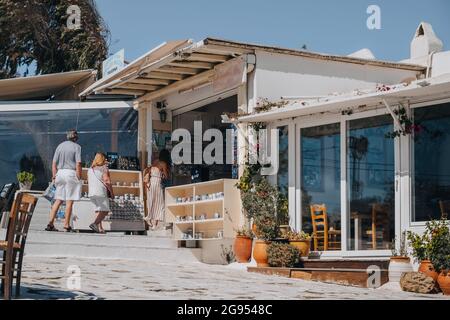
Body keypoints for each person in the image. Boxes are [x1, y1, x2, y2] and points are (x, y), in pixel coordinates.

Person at [46, 130, 82, 232]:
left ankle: (50, 223)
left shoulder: (60, 146)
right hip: (71, 173)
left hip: (60, 173)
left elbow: (53, 163)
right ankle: (66, 224)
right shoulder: (77, 147)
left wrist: (54, 175)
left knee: (58, 199)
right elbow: (78, 163)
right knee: (69, 200)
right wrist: (79, 176)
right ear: (75, 138)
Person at [143, 149, 171, 230]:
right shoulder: (163, 163)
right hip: (157, 183)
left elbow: (151, 171)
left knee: (151, 201)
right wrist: (164, 174)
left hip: (151, 183)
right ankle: (154, 223)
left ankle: (150, 219)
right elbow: (166, 176)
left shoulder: (155, 162)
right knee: (159, 204)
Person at [87, 153, 113, 234]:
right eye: (105, 159)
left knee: (98, 210)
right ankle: (95, 224)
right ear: (102, 159)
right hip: (100, 192)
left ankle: (100, 228)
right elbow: (107, 181)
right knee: (105, 211)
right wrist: (111, 192)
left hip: (91, 193)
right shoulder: (103, 168)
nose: (106, 160)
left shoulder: (90, 169)